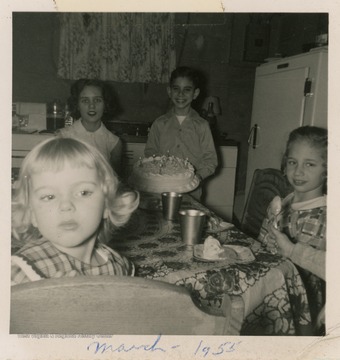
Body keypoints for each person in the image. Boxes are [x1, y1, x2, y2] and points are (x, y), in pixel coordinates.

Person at [11, 137, 139, 285]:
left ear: (106, 204)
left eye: (83, 192)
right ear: (31, 213)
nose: (66, 205)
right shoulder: (20, 272)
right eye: (49, 196)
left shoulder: (119, 267)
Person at [258, 125, 327, 334]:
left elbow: (310, 270)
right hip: (273, 289)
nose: (298, 171)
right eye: (292, 162)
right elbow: (261, 242)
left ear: (328, 169)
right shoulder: (283, 202)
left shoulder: (325, 215)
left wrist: (285, 249)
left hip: (303, 305)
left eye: (310, 164)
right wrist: (267, 242)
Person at [144, 66, 218, 200]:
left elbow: (210, 160)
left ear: (195, 94)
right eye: (176, 89)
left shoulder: (202, 126)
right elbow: (150, 153)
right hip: (162, 190)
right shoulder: (159, 123)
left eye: (187, 90)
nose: (180, 94)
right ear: (169, 91)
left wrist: (196, 178)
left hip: (192, 192)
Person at [56, 79, 122, 175]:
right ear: (77, 105)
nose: (92, 106)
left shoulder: (114, 143)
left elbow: (115, 181)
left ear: (106, 104)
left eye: (97, 100)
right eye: (85, 100)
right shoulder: (62, 137)